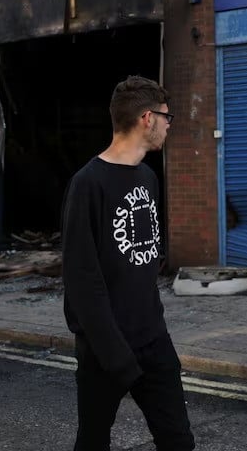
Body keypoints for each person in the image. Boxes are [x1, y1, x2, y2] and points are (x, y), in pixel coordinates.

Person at [62, 75, 194, 451]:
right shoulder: (87, 184)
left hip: (153, 341)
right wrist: (115, 355)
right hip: (106, 350)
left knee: (178, 440)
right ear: (147, 119)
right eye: (168, 117)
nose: (171, 124)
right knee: (93, 442)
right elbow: (82, 279)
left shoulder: (148, 177)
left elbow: (145, 261)